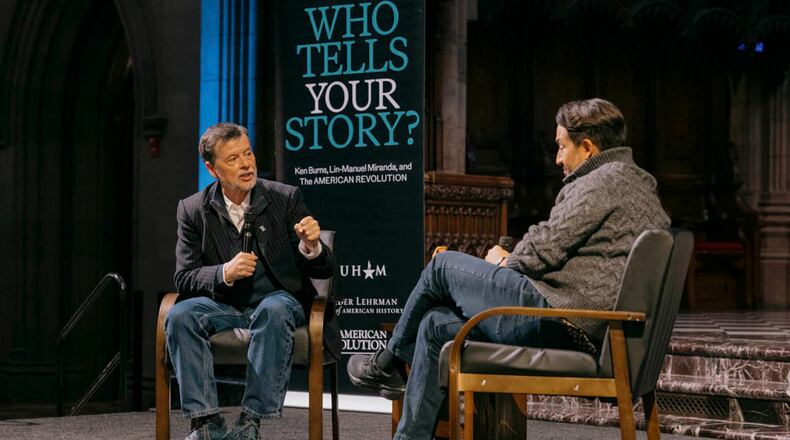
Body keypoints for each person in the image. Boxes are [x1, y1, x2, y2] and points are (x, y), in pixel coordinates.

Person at [347, 98, 671, 439]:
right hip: (592, 327)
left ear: (588, 147)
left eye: (562, 147)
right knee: (434, 325)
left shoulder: (602, 181)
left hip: (563, 323)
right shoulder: (640, 182)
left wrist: (504, 260)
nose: (558, 158)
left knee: (441, 265)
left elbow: (544, 248)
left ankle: (384, 364)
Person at [167, 122, 335, 440]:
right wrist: (223, 272)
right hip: (225, 305)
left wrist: (311, 247)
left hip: (278, 299)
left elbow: (323, 270)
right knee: (180, 314)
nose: (246, 164)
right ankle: (206, 425)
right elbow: (184, 276)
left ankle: (250, 421)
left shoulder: (285, 199)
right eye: (233, 159)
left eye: (248, 153)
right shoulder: (192, 210)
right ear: (212, 168)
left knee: (275, 309)